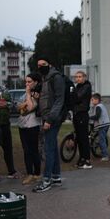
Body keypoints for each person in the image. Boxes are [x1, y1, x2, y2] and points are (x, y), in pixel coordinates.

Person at [33, 57, 66, 193]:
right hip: (48, 117)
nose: (41, 67)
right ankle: (56, 177)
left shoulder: (55, 77)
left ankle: (46, 180)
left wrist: (50, 119)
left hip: (52, 118)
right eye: (39, 65)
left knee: (48, 148)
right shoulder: (45, 78)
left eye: (43, 64)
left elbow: (59, 99)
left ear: (50, 64)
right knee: (52, 146)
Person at [17, 73, 42, 185]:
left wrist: (27, 99)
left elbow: (30, 107)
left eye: (29, 82)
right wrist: (24, 105)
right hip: (22, 126)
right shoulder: (25, 95)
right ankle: (29, 173)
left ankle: (36, 173)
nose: (27, 84)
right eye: (26, 82)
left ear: (35, 82)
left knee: (33, 150)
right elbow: (19, 108)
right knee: (26, 150)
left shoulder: (37, 94)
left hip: (33, 126)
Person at [72, 71, 93, 169]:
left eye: (80, 77)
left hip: (82, 115)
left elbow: (77, 97)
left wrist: (72, 95)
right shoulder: (78, 87)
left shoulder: (86, 86)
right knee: (79, 138)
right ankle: (82, 158)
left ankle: (87, 160)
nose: (78, 78)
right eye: (76, 77)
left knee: (84, 138)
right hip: (76, 114)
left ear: (84, 77)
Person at [89, 93, 110, 161]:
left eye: (92, 100)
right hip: (106, 123)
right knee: (102, 138)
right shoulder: (100, 105)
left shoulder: (98, 106)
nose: (91, 101)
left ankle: (105, 156)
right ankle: (99, 147)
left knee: (102, 140)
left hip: (103, 125)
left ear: (97, 100)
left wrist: (89, 117)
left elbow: (97, 116)